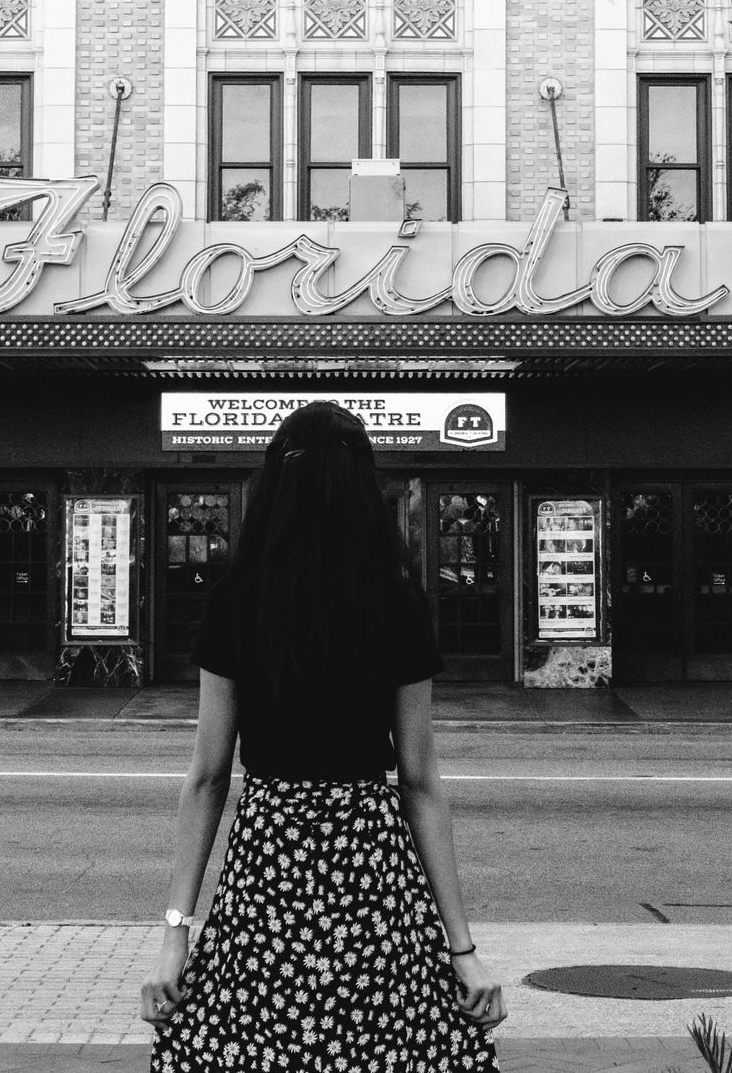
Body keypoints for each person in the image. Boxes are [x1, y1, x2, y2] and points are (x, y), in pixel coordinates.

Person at [140, 400, 506, 1071]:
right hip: (369, 872)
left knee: (252, 1047)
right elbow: (421, 782)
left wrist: (174, 935)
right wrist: (462, 949)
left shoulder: (238, 600)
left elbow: (208, 776)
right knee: (384, 1050)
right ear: (362, 489)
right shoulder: (397, 602)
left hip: (266, 873)